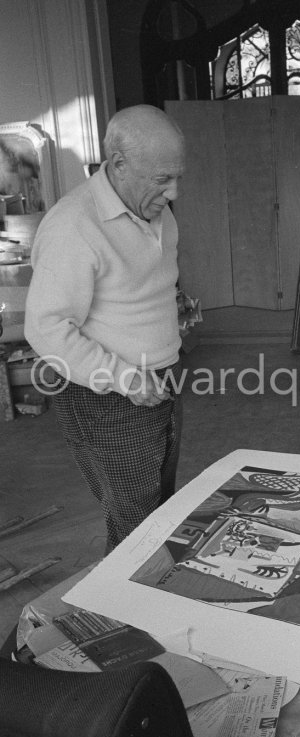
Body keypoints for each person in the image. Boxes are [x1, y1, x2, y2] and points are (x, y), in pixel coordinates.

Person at [25, 104, 187, 553]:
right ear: (118, 165)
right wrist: (124, 378)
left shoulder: (155, 211)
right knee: (136, 518)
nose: (173, 191)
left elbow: (138, 287)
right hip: (108, 393)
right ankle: (126, 614)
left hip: (159, 378)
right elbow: (47, 328)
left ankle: (147, 597)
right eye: (162, 179)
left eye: (177, 177)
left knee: (159, 500)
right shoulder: (74, 223)